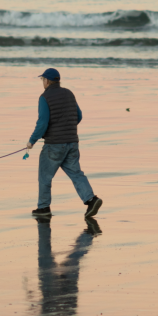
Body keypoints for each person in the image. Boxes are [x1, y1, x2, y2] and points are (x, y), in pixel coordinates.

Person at [26, 68, 102, 218]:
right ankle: (91, 200)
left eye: (42, 80)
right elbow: (78, 116)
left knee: (45, 176)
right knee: (76, 174)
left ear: (47, 81)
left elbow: (42, 123)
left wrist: (32, 141)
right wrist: (66, 128)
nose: (42, 82)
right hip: (72, 143)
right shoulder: (69, 93)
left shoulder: (44, 97)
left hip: (54, 144)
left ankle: (44, 208)